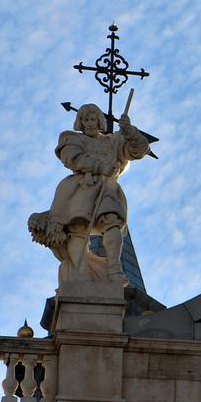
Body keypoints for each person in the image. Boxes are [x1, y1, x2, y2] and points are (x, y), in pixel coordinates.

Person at [28, 103, 150, 286]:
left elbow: (138, 151)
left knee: (113, 221)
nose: (90, 123)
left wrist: (130, 131)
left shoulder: (113, 141)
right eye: (85, 120)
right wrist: (99, 167)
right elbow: (72, 158)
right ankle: (80, 271)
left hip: (107, 187)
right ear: (80, 122)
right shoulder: (72, 139)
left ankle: (114, 267)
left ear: (99, 121)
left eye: (93, 119)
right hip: (80, 188)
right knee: (78, 228)